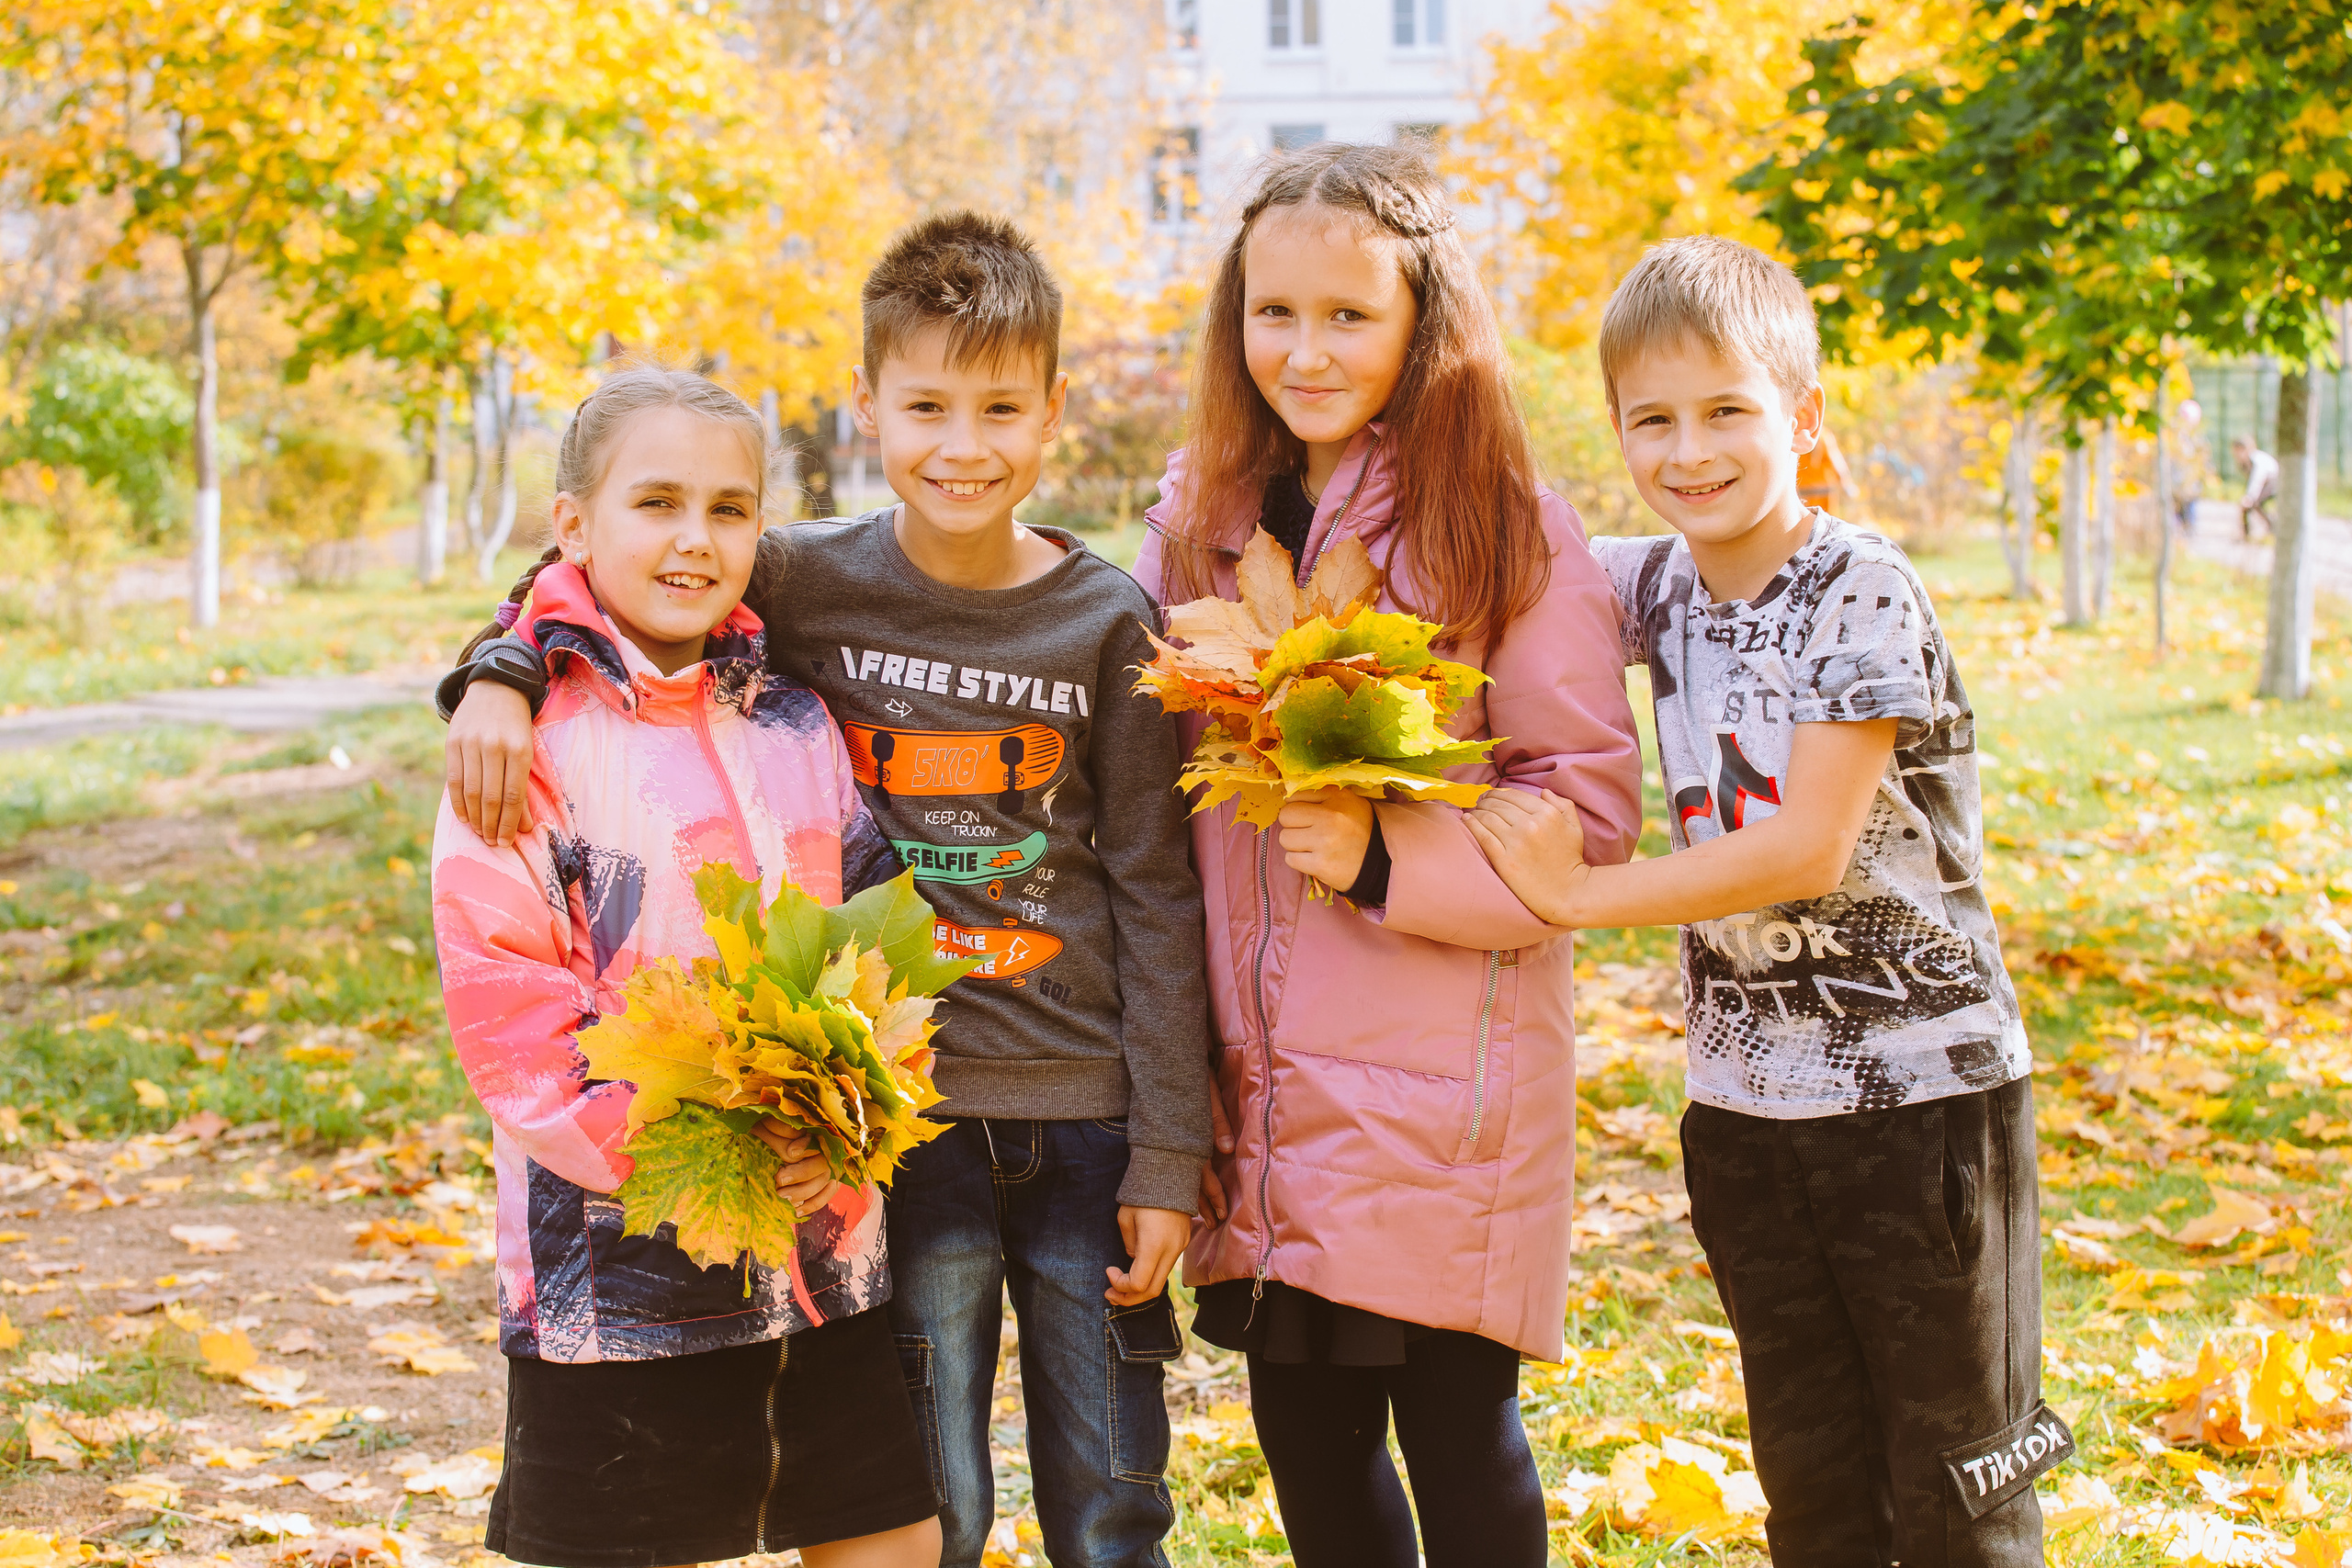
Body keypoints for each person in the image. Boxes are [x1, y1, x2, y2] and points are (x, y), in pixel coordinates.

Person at [438, 213, 1211, 1568]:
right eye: (925, 405)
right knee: (933, 1488)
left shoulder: (1096, 623)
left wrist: (1168, 1147)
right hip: (890, 1141)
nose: (961, 444)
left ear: (1050, 414)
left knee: (1105, 1488)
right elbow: (600, 574)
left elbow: (1156, 886)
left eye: (998, 408)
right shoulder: (800, 572)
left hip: (1052, 1117)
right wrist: (500, 670)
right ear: (868, 408)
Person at [1464, 235, 2059, 1565]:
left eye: (1726, 408)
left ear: (1803, 412)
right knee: (1813, 1476)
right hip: (1743, 1113)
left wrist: (1580, 889)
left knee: (1964, 1481)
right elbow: (1493, 557)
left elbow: (1807, 846)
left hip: (1921, 1102)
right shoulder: (1653, 581)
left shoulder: (1861, 589)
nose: (1690, 450)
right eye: (1651, 419)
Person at [1134, 141, 1645, 1568]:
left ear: (1423, 325)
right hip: (1268, 1083)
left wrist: (1381, 860)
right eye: (1273, 313)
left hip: (1442, 1087)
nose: (1306, 349)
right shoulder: (1199, 531)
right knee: (1307, 1444)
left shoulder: (1503, 532)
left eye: (1349, 315)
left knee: (1460, 1437)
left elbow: (1587, 814)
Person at [428, 366, 940, 1568]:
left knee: (890, 1537)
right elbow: (511, 1023)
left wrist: (851, 1125)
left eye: (727, 508)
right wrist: (708, 1156)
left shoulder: (799, 726)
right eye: (655, 501)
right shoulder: (527, 744)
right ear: (574, 526)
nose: (692, 538)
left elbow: (877, 960)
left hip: (824, 1245)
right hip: (622, 1272)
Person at [1794, 418, 1851, 512]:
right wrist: (1846, 484)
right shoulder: (1823, 435)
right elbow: (1836, 462)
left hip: (1801, 493)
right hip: (1822, 493)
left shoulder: (1793, 435)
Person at [2233, 434, 2278, 539]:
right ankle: (2249, 532)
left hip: (2274, 482)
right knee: (2251, 504)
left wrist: (2250, 496)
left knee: (2251, 503)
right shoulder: (2245, 462)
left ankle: (2271, 527)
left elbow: (2258, 478)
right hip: (2267, 483)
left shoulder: (2256, 460)